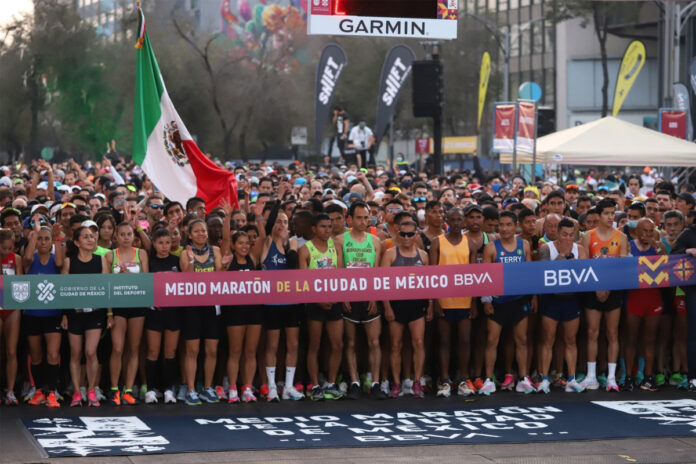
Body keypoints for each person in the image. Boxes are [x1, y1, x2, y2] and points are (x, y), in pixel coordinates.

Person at [480, 211, 536, 395]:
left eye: (508, 225)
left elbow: (530, 274)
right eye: (501, 225)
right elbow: (485, 277)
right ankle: (488, 379)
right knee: (491, 340)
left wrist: (532, 296)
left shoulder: (524, 245)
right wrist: (486, 300)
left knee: (522, 340)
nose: (503, 229)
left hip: (518, 300)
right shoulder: (491, 248)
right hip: (498, 301)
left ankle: (523, 378)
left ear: (515, 226)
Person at [252, 204, 304, 402]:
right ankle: (272, 386)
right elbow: (265, 228)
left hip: (291, 303)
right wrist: (277, 201)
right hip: (271, 304)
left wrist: (287, 243)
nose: (281, 224)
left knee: (292, 344)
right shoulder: (266, 243)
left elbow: (293, 266)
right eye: (278, 221)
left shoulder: (292, 243)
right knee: (272, 345)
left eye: (285, 221)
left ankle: (289, 386)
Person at [334, 202, 385, 400]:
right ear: (350, 219)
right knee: (351, 342)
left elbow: (378, 272)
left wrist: (374, 295)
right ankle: (354, 382)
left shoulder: (375, 241)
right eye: (359, 217)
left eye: (367, 217)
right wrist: (343, 295)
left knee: (374, 342)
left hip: (370, 297)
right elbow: (339, 271)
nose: (364, 221)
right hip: (349, 298)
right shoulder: (339, 240)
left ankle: (376, 383)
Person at [580, 198, 629, 392]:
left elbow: (622, 268)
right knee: (592, 333)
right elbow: (584, 267)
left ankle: (610, 377)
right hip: (593, 291)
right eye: (607, 213)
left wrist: (608, 287)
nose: (611, 217)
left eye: (613, 213)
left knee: (612, 333)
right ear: (598, 216)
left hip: (613, 291)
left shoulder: (621, 237)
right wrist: (597, 288)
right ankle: (591, 376)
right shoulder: (588, 237)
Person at [381, 216, 432, 399]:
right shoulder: (390, 254)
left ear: (416, 234)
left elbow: (429, 284)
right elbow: (383, 283)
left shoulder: (423, 255)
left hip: (417, 304)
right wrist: (387, 307)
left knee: (418, 343)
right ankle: (396, 383)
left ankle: (416, 381)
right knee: (396, 345)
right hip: (396, 304)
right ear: (398, 234)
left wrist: (431, 305)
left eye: (411, 234)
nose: (407, 238)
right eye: (404, 234)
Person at [430, 207, 477, 397]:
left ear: (463, 221)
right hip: (444, 299)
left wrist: (473, 302)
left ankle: (464, 379)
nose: (456, 223)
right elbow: (432, 274)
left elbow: (474, 276)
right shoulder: (437, 242)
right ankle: (444, 379)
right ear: (446, 221)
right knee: (444, 341)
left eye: (459, 220)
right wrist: (435, 301)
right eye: (453, 220)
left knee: (465, 340)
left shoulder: (471, 244)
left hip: (465, 299)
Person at [61, 225, 110, 407]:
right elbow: (63, 291)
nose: (91, 239)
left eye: (92, 236)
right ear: (76, 242)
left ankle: (91, 390)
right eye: (86, 237)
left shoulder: (101, 260)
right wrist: (65, 314)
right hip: (74, 314)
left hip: (95, 314)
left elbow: (107, 290)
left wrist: (109, 314)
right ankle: (76, 391)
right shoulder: (69, 262)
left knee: (91, 352)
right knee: (75, 353)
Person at [536, 218, 587, 393]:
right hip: (551, 299)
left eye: (571, 235)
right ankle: (544, 379)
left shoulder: (579, 249)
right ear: (557, 233)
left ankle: (571, 378)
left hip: (571, 299)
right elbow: (541, 274)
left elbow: (587, 274)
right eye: (564, 234)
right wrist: (560, 257)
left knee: (571, 340)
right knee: (548, 340)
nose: (567, 238)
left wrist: (576, 265)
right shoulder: (546, 248)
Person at [179, 219, 226, 405]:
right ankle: (191, 389)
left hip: (212, 305)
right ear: (189, 235)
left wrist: (225, 267)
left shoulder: (215, 251)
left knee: (212, 349)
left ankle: (208, 388)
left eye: (204, 231)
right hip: (191, 306)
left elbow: (220, 277)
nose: (201, 234)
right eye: (197, 231)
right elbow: (186, 278)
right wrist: (191, 261)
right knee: (192, 350)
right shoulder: (185, 253)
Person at [299, 213, 345, 401]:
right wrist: (317, 300)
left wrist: (335, 297)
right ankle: (315, 385)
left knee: (337, 344)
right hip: (314, 303)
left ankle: (332, 383)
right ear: (314, 229)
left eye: (329, 226)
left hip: (334, 302)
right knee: (315, 345)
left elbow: (341, 275)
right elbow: (302, 281)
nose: (327, 230)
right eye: (323, 227)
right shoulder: (305, 249)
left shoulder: (337, 247)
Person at [22, 216, 64, 408]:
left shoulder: (56, 259)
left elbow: (62, 262)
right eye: (40, 239)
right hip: (32, 315)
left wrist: (56, 238)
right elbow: (28, 257)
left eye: (46, 239)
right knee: (36, 355)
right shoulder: (30, 260)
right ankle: (38, 390)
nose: (43, 242)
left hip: (53, 314)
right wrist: (36, 232)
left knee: (53, 355)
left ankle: (52, 391)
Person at [105, 222, 149, 406]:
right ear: (116, 236)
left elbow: (147, 282)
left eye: (129, 234)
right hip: (118, 307)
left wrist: (130, 278)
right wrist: (109, 313)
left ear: (134, 236)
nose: (125, 237)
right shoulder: (109, 255)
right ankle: (114, 389)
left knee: (134, 348)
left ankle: (128, 389)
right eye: (122, 234)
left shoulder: (141, 254)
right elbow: (106, 285)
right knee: (117, 348)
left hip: (137, 306)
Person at [622, 218, 665, 392]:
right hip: (634, 297)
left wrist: (660, 251)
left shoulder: (658, 247)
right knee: (631, 338)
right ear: (636, 232)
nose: (647, 234)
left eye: (650, 231)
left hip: (653, 298)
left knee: (650, 339)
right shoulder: (629, 246)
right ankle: (628, 377)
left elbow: (668, 270)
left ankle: (648, 376)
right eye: (644, 231)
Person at [223, 231, 264, 403]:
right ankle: (233, 388)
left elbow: (261, 236)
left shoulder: (253, 259)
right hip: (234, 310)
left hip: (254, 310)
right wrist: (228, 217)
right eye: (240, 243)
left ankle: (247, 388)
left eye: (247, 243)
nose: (245, 246)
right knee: (235, 351)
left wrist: (260, 216)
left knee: (250, 351)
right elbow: (225, 238)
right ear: (233, 245)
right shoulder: (228, 260)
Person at [143, 228, 181, 404]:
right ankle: (151, 390)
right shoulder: (149, 262)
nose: (164, 246)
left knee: (170, 352)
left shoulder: (178, 260)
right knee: (152, 351)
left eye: (167, 242)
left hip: (174, 313)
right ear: (154, 244)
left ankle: (168, 390)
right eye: (160, 243)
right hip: (154, 313)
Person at [0, 228, 23, 405]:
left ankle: (10, 390)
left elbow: (21, 284)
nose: (6, 251)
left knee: (11, 350)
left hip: (12, 307)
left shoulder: (16, 259)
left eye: (9, 248)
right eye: (3, 248)